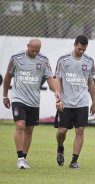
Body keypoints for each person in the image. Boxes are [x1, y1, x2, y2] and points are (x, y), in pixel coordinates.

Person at [2, 38, 59, 169]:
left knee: (29, 129)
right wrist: (5, 95)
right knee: (20, 125)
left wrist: (56, 92)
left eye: (37, 51)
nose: (34, 53)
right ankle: (20, 157)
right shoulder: (16, 58)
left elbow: (50, 79)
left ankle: (24, 158)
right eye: (32, 50)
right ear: (27, 46)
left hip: (34, 101)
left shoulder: (43, 60)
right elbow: (7, 77)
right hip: (18, 98)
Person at [55, 35, 95, 169]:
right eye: (79, 49)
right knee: (62, 131)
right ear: (74, 45)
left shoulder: (89, 61)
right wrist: (58, 99)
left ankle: (74, 160)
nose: (81, 51)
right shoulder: (63, 60)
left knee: (80, 130)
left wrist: (94, 101)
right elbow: (58, 80)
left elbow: (90, 82)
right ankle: (60, 148)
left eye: (84, 49)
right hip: (66, 102)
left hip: (82, 102)